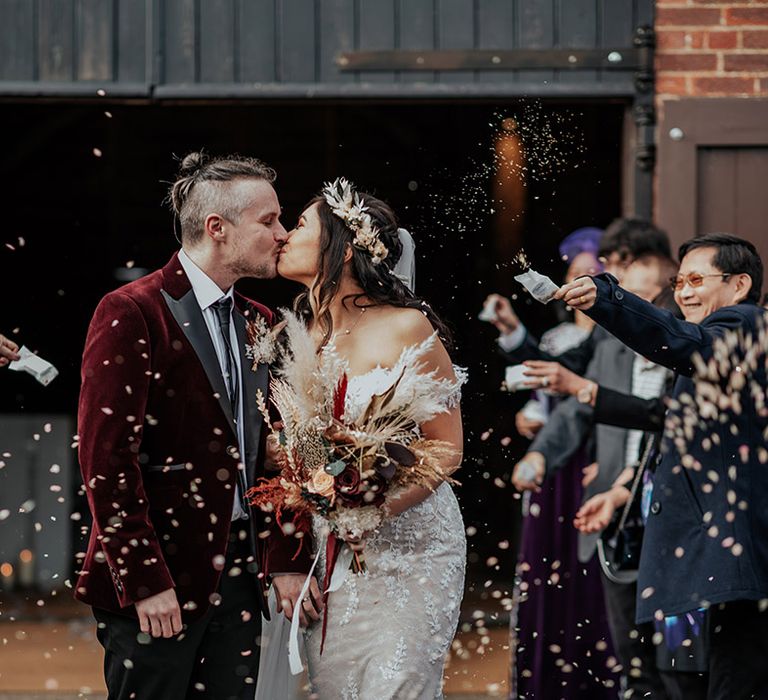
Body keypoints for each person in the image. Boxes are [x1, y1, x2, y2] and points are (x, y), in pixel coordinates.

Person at [75, 152, 314, 699]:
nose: (281, 233)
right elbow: (106, 460)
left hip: (239, 579)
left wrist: (283, 560)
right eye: (269, 220)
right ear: (217, 229)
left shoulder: (264, 321)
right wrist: (144, 581)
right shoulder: (131, 311)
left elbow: (273, 457)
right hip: (157, 582)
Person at [276, 178, 466, 699]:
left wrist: (376, 509)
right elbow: (292, 449)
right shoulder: (292, 335)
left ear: (341, 248)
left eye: (298, 226)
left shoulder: (407, 327)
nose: (283, 236)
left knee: (397, 687)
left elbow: (446, 446)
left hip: (413, 548)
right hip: (331, 549)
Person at [560, 233, 768, 699]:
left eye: (697, 280)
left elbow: (681, 341)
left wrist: (609, 299)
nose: (684, 292)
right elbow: (672, 428)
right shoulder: (718, 343)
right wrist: (621, 491)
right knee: (681, 679)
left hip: (731, 559)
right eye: (679, 282)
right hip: (698, 555)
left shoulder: (747, 324)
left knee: (733, 682)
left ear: (739, 285)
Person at [512, 254, 678, 699]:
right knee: (632, 658)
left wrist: (582, 388)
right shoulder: (609, 347)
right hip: (615, 519)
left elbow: (654, 422)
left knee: (678, 665)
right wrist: (542, 455)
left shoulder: (686, 366)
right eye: (627, 298)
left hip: (671, 522)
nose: (630, 310)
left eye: (644, 298)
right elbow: (574, 412)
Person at [492, 228, 620, 698]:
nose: (579, 280)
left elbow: (582, 391)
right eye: (573, 273)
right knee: (549, 567)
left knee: (587, 567)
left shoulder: (615, 336)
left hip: (589, 461)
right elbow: (543, 384)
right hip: (551, 464)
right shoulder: (558, 335)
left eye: (592, 274)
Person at [485, 218, 671, 376]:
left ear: (655, 264)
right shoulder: (605, 330)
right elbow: (564, 367)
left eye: (623, 263)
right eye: (609, 264)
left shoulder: (676, 320)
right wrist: (513, 329)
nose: (614, 274)